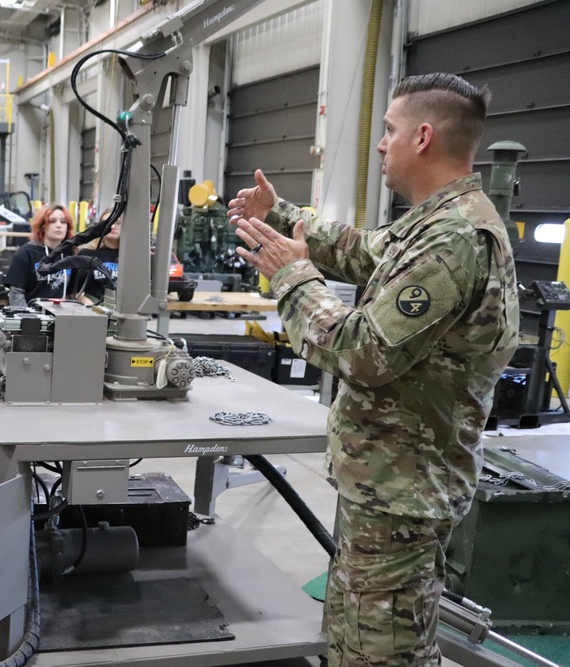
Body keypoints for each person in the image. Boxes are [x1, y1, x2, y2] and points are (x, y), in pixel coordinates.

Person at [227, 73, 519, 667]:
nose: (381, 144)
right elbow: (365, 251)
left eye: (389, 130)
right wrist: (280, 215)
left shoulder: (454, 239)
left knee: (382, 656)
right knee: (358, 642)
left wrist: (291, 275)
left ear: (423, 136)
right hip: (387, 488)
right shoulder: (434, 221)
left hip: (403, 496)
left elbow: (363, 349)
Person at [4, 204, 75, 307]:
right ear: (42, 226)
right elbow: (16, 293)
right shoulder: (25, 253)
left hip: (61, 317)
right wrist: (27, 318)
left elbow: (72, 293)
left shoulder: (71, 254)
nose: (59, 225)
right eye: (52, 221)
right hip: (34, 316)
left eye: (63, 222)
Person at [74, 208, 119, 304]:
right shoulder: (86, 254)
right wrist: (90, 306)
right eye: (107, 222)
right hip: (93, 307)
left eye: (118, 222)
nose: (113, 226)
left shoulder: (132, 258)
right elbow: (74, 291)